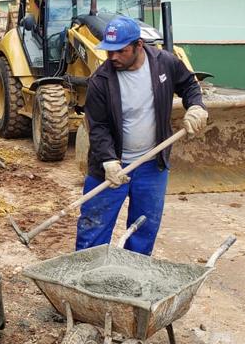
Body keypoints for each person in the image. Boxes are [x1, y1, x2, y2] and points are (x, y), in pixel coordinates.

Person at [76, 16, 208, 256]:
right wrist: (108, 161)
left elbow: (189, 84)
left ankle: (133, 275)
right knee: (94, 226)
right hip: (110, 166)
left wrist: (196, 106)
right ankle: (86, 277)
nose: (113, 57)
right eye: (109, 51)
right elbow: (98, 127)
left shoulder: (164, 63)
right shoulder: (100, 81)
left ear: (139, 45)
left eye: (120, 51)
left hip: (151, 165)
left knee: (144, 229)